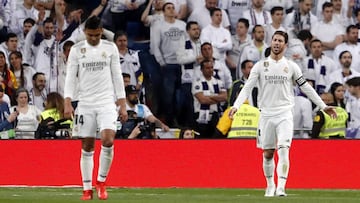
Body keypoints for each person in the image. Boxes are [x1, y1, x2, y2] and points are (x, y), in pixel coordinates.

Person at [228, 31, 337, 197]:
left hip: (285, 113)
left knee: (284, 149)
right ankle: (270, 185)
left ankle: (281, 187)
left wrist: (322, 106)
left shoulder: (292, 66)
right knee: (268, 153)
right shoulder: (259, 66)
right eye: (274, 40)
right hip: (266, 114)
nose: (277, 43)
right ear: (271, 43)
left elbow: (305, 87)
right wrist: (236, 106)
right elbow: (248, 87)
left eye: (280, 41)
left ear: (285, 45)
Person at [63, 16, 127, 200]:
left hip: (106, 101)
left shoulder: (110, 47)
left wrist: (122, 105)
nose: (93, 39)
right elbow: (70, 77)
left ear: (101, 32)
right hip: (85, 103)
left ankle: (101, 181)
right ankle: (86, 188)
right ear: (85, 33)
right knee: (87, 145)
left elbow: (117, 76)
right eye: (90, 35)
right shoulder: (77, 50)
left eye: (97, 35)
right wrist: (67, 101)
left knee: (108, 140)